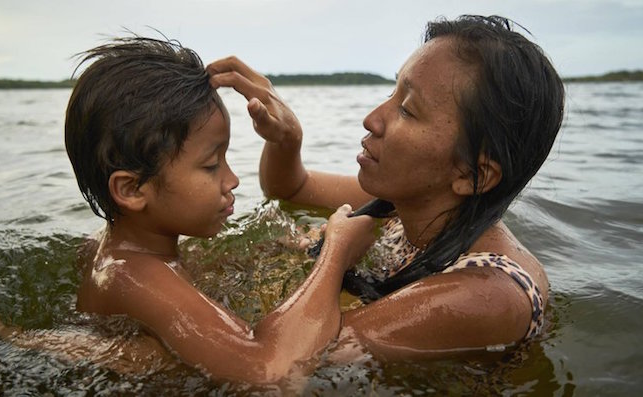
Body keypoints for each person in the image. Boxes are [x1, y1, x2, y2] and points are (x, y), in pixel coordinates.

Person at [208, 15, 564, 358]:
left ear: (472, 174)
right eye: (392, 93)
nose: (372, 118)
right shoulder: (406, 201)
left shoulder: (490, 295)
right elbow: (291, 189)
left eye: (407, 110)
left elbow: (293, 359)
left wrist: (335, 253)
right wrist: (287, 140)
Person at [64, 35, 375, 383]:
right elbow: (266, 371)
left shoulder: (111, 251)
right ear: (132, 189)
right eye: (212, 165)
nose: (233, 179)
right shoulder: (136, 277)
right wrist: (336, 253)